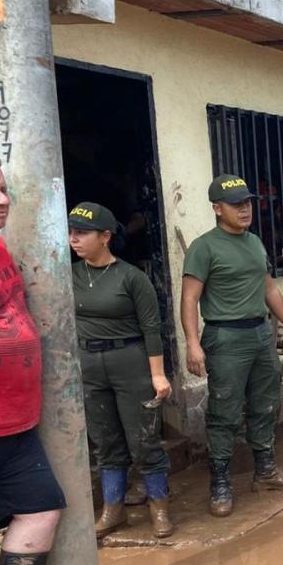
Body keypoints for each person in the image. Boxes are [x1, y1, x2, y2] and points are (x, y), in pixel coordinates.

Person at [181, 174, 283, 518]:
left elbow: (268, 288)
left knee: (266, 404)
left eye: (247, 203)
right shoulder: (204, 247)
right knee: (224, 411)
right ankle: (220, 483)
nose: (244, 209)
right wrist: (192, 343)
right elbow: (189, 299)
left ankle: (265, 472)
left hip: (260, 334)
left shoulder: (254, 242)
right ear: (217, 209)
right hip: (225, 338)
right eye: (236, 204)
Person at [0, 159, 81, 565]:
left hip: (16, 425)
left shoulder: (0, 247)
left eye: (3, 189)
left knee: (42, 508)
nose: (2, 200)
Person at [68, 202, 174, 539]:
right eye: (71, 233)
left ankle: (159, 508)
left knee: (144, 440)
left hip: (129, 361)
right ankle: (113, 510)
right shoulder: (69, 274)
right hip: (89, 363)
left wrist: (157, 374)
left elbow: (151, 328)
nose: (74, 239)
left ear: (105, 237)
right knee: (105, 441)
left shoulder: (131, 277)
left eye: (82, 233)